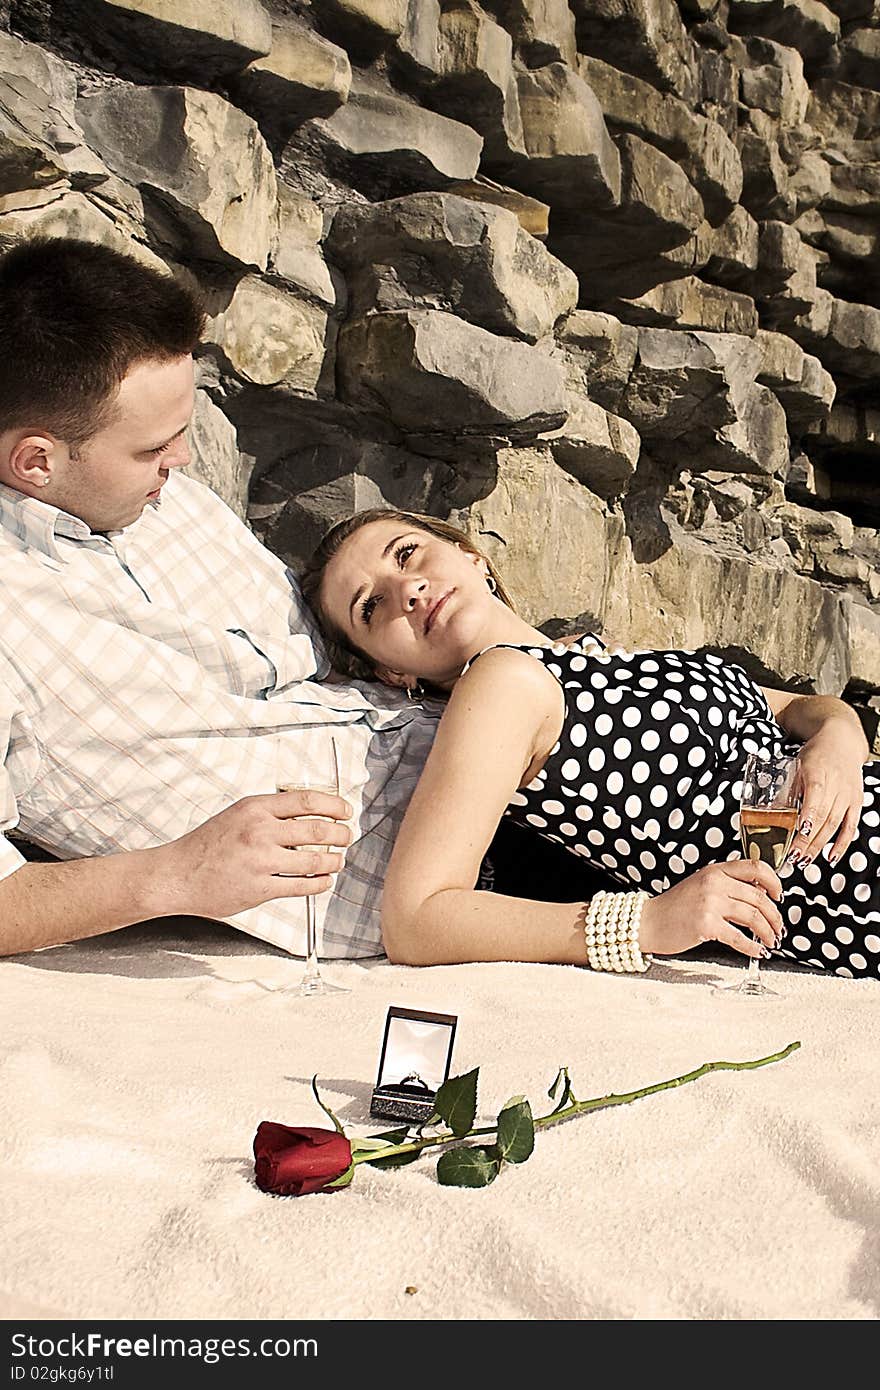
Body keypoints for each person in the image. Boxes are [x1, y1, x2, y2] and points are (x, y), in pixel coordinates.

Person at [0, 235, 462, 960]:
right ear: (36, 460)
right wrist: (171, 878)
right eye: (153, 449)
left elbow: (320, 664)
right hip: (440, 881)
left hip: (482, 741)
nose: (180, 462)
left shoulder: (172, 501)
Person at [300, 508, 880, 979]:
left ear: (471, 555)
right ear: (391, 673)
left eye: (406, 554)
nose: (408, 589)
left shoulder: (595, 656)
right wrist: (646, 922)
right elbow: (416, 920)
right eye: (370, 608)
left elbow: (797, 708)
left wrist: (838, 738)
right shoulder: (501, 686)